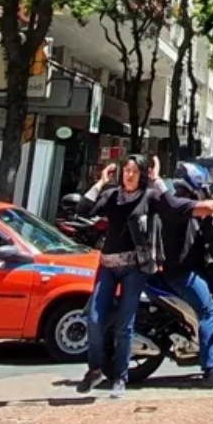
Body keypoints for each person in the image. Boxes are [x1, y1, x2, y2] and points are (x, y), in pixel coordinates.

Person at [74, 154, 153, 399]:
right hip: (108, 265)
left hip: (133, 267)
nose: (128, 175)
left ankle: (120, 376)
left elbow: (170, 203)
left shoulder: (147, 196)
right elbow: (83, 209)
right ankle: (95, 369)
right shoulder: (111, 196)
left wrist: (157, 177)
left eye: (134, 172)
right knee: (95, 319)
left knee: (123, 325)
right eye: (126, 171)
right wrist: (100, 182)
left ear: (141, 176)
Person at [151, 160, 213, 387]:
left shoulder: (181, 203)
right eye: (201, 184)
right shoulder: (180, 204)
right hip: (181, 273)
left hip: (191, 268)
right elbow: (209, 207)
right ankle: (210, 370)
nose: (203, 188)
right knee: (210, 309)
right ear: (193, 184)